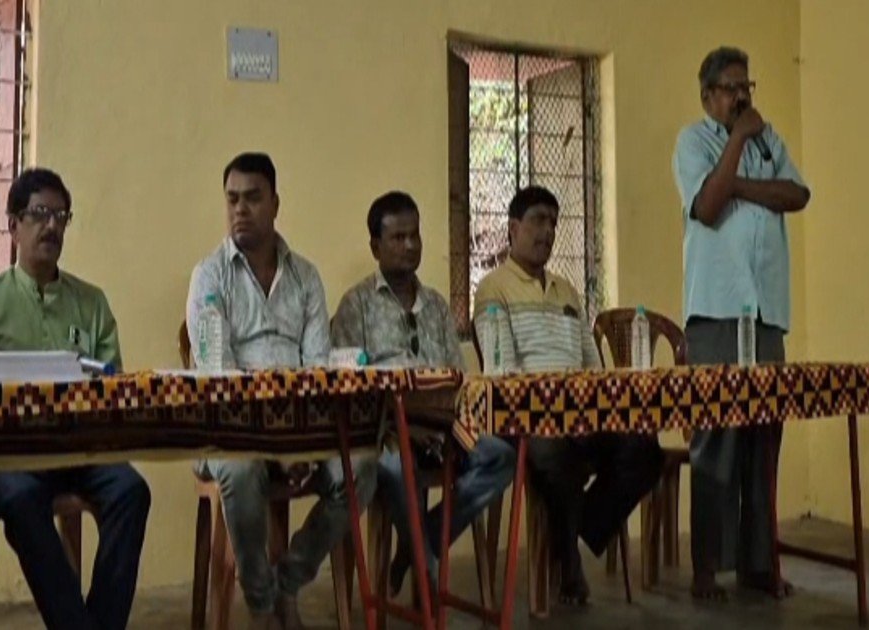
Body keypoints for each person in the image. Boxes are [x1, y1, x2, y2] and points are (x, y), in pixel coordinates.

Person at [187, 153, 377, 630]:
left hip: (300, 426)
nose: (240, 210)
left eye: (253, 198)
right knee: (241, 469)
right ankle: (262, 603)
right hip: (230, 430)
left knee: (362, 467)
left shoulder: (305, 277)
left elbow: (317, 370)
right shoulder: (209, 276)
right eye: (232, 199)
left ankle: (288, 582)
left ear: (275, 203)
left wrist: (300, 441)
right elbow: (218, 377)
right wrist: (275, 442)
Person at [0, 168, 150, 629]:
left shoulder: (91, 301)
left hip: (83, 445)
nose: (52, 226)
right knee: (19, 500)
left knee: (132, 491)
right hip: (14, 453)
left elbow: (112, 381)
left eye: (61, 215)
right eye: (40, 214)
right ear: (13, 224)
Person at [473, 185, 661, 605]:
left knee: (645, 450)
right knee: (557, 457)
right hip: (527, 419)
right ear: (513, 228)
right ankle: (568, 566)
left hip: (581, 414)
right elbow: (503, 373)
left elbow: (593, 368)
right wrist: (550, 408)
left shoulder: (567, 291)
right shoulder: (493, 290)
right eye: (538, 220)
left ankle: (575, 533)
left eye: (553, 222)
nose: (548, 231)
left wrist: (596, 410)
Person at [673, 46, 810, 600]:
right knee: (717, 440)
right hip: (717, 310)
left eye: (746, 85)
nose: (742, 95)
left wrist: (743, 184)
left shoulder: (770, 140)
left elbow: (797, 194)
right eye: (730, 88)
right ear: (708, 96)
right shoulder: (694, 141)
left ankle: (759, 565)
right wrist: (736, 141)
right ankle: (707, 569)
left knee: (762, 438)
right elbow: (707, 206)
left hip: (766, 312)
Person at [331, 191, 514, 594]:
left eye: (415, 235)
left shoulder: (435, 305)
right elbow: (344, 383)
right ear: (375, 246)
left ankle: (416, 550)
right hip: (387, 432)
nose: (410, 245)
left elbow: (459, 377)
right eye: (398, 238)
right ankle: (427, 569)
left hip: (443, 426)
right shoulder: (355, 305)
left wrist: (444, 414)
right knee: (396, 471)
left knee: (500, 457)